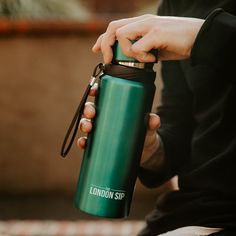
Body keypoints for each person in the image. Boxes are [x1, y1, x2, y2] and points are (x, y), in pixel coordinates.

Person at [77, 0, 236, 235]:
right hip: (198, 212)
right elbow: (180, 132)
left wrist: (204, 35)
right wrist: (147, 148)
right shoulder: (177, 5)